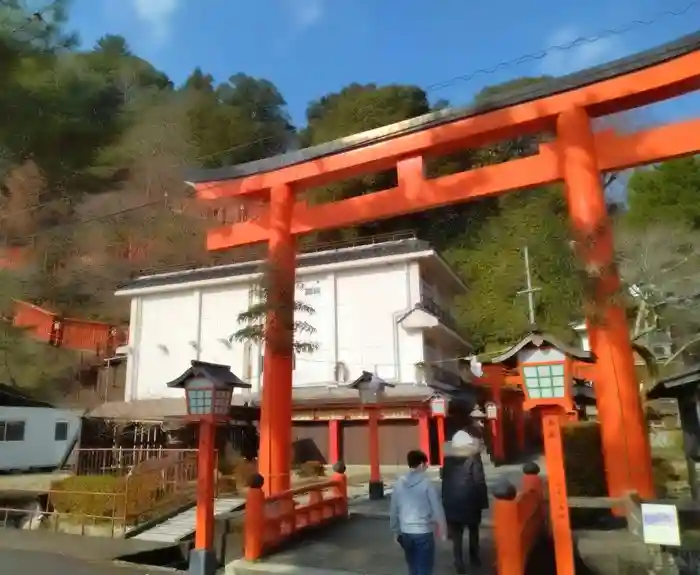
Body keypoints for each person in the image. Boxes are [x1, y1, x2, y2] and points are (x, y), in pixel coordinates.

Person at [390, 449, 447, 575]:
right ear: (421, 464)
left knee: (412, 566)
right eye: (426, 465)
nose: (426, 467)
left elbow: (394, 509)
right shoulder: (427, 484)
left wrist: (395, 530)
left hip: (406, 532)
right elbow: (437, 508)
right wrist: (442, 529)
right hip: (423, 531)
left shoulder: (399, 483)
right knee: (425, 568)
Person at [441, 429, 488, 573]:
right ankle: (474, 558)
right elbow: (479, 481)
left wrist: (445, 502)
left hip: (453, 501)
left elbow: (445, 482)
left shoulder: (447, 460)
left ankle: (459, 562)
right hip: (471, 501)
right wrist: (483, 502)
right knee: (473, 530)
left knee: (457, 535)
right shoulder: (474, 459)